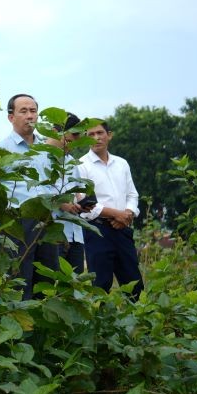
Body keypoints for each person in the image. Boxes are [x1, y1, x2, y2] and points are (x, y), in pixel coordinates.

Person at [0, 94, 59, 300]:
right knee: (20, 281)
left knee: (48, 279)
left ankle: (44, 330)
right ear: (10, 117)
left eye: (33, 111)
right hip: (18, 223)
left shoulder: (46, 148)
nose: (29, 116)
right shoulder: (0, 150)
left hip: (47, 221)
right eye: (23, 111)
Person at [79, 122, 144, 300]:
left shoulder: (121, 163)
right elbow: (86, 204)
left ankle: (140, 324)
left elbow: (132, 195)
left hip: (123, 229)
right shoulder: (81, 166)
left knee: (134, 283)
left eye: (100, 133)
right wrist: (117, 214)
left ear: (109, 135)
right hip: (97, 231)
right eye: (90, 134)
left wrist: (127, 214)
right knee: (100, 285)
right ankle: (101, 324)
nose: (96, 138)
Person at [46, 112, 87, 273]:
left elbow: (77, 193)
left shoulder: (71, 163)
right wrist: (62, 204)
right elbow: (37, 192)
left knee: (74, 287)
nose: (69, 147)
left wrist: (82, 203)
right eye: (68, 141)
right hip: (53, 233)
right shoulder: (39, 157)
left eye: (73, 144)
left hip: (75, 234)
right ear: (55, 131)